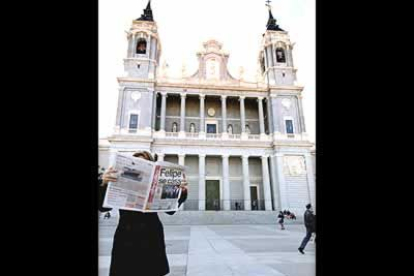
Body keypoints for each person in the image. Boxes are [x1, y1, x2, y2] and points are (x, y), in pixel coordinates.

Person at [99, 151, 188, 276]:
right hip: (126, 237)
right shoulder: (120, 178)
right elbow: (103, 208)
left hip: (151, 236)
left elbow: (170, 210)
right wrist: (103, 183)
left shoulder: (160, 181)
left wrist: (181, 192)